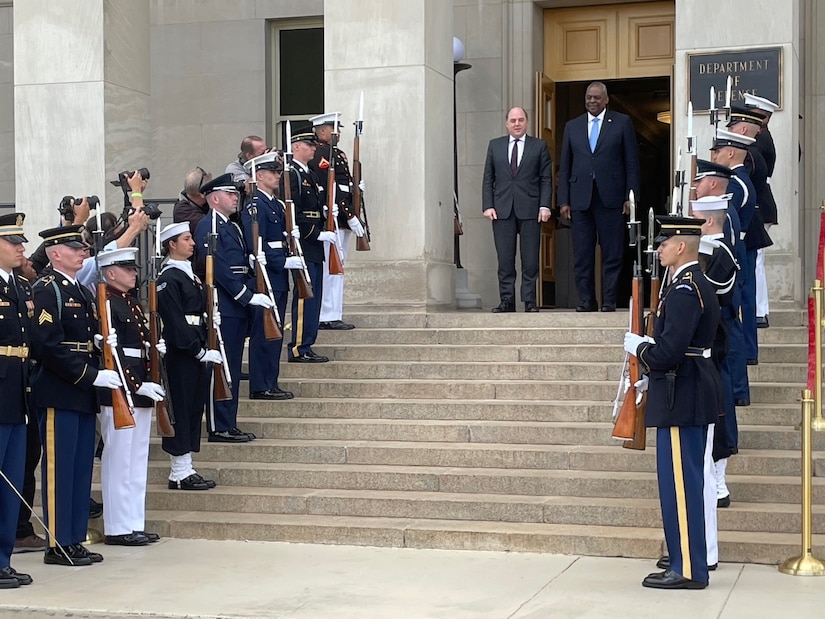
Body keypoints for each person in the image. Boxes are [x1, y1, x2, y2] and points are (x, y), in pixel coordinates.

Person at [624, 215, 721, 590]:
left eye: (664, 242)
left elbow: (668, 352)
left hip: (684, 394)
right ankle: (683, 560)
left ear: (681, 245)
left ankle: (689, 570)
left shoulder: (685, 289)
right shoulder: (691, 284)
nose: (659, 248)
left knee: (681, 486)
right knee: (681, 484)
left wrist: (640, 347)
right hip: (686, 389)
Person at [31, 224, 123, 567]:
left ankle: (73, 537)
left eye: (83, 248)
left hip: (82, 390)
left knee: (81, 468)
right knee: (59, 469)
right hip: (60, 389)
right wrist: (90, 374)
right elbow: (46, 344)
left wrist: (99, 349)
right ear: (56, 254)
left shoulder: (80, 291)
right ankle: (57, 543)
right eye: (75, 248)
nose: (82, 252)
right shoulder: (47, 289)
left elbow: (82, 336)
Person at [194, 173, 273, 442]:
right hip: (224, 305)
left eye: (235, 193)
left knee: (233, 368)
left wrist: (253, 269)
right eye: (230, 194)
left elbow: (237, 265)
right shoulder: (209, 225)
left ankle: (229, 421)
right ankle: (218, 425)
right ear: (215, 198)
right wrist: (245, 295)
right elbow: (216, 268)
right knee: (222, 366)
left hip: (236, 305)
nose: (235, 197)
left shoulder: (233, 226)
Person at [95, 247, 165, 547]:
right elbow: (113, 352)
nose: (134, 273)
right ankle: (117, 526)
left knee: (136, 461)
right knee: (119, 461)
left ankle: (133, 522)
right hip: (121, 390)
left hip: (140, 388)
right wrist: (136, 386)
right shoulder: (107, 302)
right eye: (128, 269)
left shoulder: (131, 302)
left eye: (134, 269)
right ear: (111, 273)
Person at [558, 82, 641, 312]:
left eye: (596, 98)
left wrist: (630, 197)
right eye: (588, 98)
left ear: (606, 100)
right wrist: (563, 200)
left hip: (612, 198)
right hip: (580, 199)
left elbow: (631, 163)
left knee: (612, 252)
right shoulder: (572, 126)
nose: (592, 101)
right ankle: (586, 300)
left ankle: (609, 300)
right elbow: (565, 166)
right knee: (582, 254)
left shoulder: (622, 122)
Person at [157, 222, 217, 491]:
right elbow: (174, 321)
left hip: (195, 348)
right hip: (183, 353)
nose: (193, 243)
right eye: (186, 239)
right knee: (180, 409)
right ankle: (179, 472)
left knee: (193, 408)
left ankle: (186, 467)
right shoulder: (169, 278)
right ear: (172, 244)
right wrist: (197, 349)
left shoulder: (189, 274)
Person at [241, 151, 300, 399]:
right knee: (264, 333)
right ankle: (260, 384)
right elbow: (257, 246)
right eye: (273, 173)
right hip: (265, 275)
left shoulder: (275, 203)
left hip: (277, 277)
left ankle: (270, 381)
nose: (277, 176)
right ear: (259, 175)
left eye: (278, 172)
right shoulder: (255, 205)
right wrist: (284, 261)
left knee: (275, 331)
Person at [481, 106, 552, 313]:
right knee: (505, 259)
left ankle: (529, 300)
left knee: (530, 259)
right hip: (502, 210)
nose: (517, 124)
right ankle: (507, 301)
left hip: (530, 209)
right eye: (513, 120)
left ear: (526, 122)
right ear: (506, 123)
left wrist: (545, 205)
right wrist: (488, 205)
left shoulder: (538, 146)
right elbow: (488, 178)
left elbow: (546, 179)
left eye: (521, 120)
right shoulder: (495, 146)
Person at [0, 212, 34, 588]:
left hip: (18, 394)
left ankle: (3, 559)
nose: (20, 248)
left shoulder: (21, 288)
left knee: (11, 483)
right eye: (13, 242)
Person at [309, 112, 366, 330]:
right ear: (322, 130)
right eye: (334, 128)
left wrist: (355, 191)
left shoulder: (336, 153)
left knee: (338, 269)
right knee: (331, 270)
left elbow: (343, 185)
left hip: (341, 218)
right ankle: (326, 314)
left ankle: (334, 312)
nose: (338, 132)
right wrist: (349, 214)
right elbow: (331, 188)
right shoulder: (321, 154)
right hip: (333, 218)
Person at [283, 126, 332, 362]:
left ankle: (307, 343)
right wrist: (315, 233)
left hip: (314, 243)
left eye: (314, 145)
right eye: (309, 145)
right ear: (295, 147)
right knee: (305, 296)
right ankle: (298, 347)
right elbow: (293, 211)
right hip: (304, 241)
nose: (314, 148)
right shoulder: (292, 174)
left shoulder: (309, 173)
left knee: (315, 296)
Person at [710, 129, 758, 366]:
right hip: (736, 251)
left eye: (717, 152)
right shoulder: (740, 180)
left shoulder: (735, 184)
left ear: (730, 152)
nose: (714, 156)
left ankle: (739, 385)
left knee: (732, 320)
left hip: (733, 253)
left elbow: (727, 223)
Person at [743, 94, 780, 328]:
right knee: (755, 259)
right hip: (760, 202)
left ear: (762, 117)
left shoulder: (760, 139)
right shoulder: (761, 137)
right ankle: (758, 308)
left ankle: (760, 309)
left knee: (756, 259)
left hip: (760, 203)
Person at [173, 166, 212, 235]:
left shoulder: (205, 203)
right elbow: (210, 225)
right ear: (202, 193)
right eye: (210, 188)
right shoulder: (182, 211)